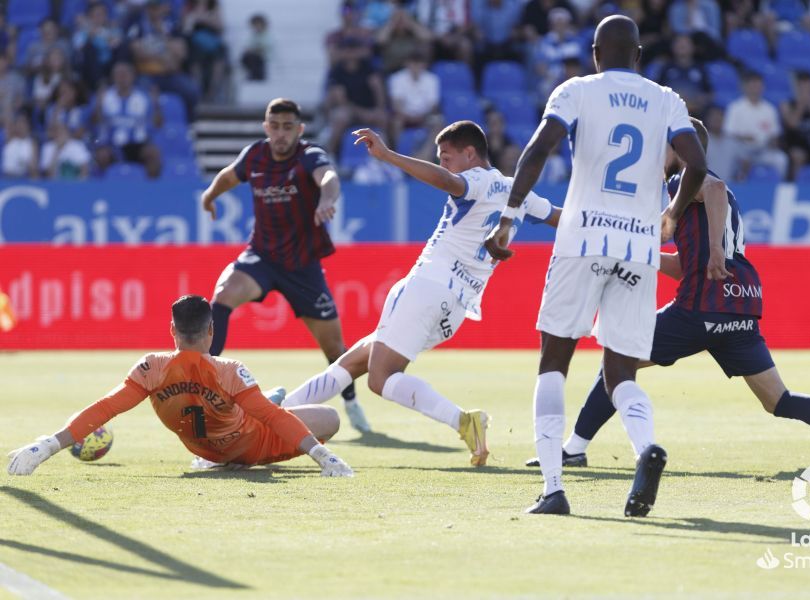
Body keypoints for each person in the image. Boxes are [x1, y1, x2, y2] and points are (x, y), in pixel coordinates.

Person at [528, 117, 810, 474]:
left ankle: (574, 450)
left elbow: (713, 192)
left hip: (702, 304)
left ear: (678, 148)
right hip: (740, 304)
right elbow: (684, 263)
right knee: (779, 400)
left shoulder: (685, 180)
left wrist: (715, 250)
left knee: (618, 362)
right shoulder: (718, 197)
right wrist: (645, 252)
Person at [484, 15, 708, 516]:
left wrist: (509, 216)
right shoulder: (667, 99)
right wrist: (671, 214)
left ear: (595, 53)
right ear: (639, 56)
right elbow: (695, 164)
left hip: (583, 239)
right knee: (622, 372)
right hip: (639, 246)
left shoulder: (577, 90)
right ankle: (645, 447)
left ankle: (553, 489)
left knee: (554, 362)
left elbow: (539, 148)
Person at [279, 121, 561, 468]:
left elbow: (449, 182)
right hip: (458, 307)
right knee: (354, 363)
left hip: (427, 285)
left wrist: (388, 155)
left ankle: (462, 421)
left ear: (470, 154)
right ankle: (277, 416)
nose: (443, 163)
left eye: (446, 156)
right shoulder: (520, 192)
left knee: (380, 379)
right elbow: (561, 218)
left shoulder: (476, 179)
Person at [7, 295, 353, 477]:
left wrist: (46, 446)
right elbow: (273, 418)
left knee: (268, 404)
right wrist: (322, 454)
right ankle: (277, 397)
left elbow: (105, 407)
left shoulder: (151, 368)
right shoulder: (230, 370)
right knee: (327, 417)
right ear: (211, 332)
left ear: (172, 331)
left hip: (203, 451)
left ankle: (265, 406)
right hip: (251, 448)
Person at [199, 98, 371, 434]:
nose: (280, 133)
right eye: (274, 126)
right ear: (266, 127)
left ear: (299, 129)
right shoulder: (255, 155)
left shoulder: (309, 155)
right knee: (222, 296)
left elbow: (329, 178)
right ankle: (208, 389)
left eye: (287, 127)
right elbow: (228, 176)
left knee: (334, 347)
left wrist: (325, 200)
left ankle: (351, 402)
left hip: (303, 265)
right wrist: (209, 196)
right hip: (261, 257)